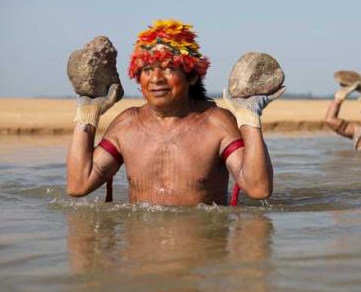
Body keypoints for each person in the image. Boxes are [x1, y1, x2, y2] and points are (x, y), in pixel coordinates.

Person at [67, 19, 284, 206]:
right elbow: (78, 185)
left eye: (169, 68)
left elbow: (259, 190)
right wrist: (86, 115)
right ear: (138, 77)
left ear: (192, 76)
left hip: (202, 251)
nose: (156, 78)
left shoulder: (216, 123)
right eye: (147, 70)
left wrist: (249, 118)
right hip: (140, 254)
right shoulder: (126, 125)